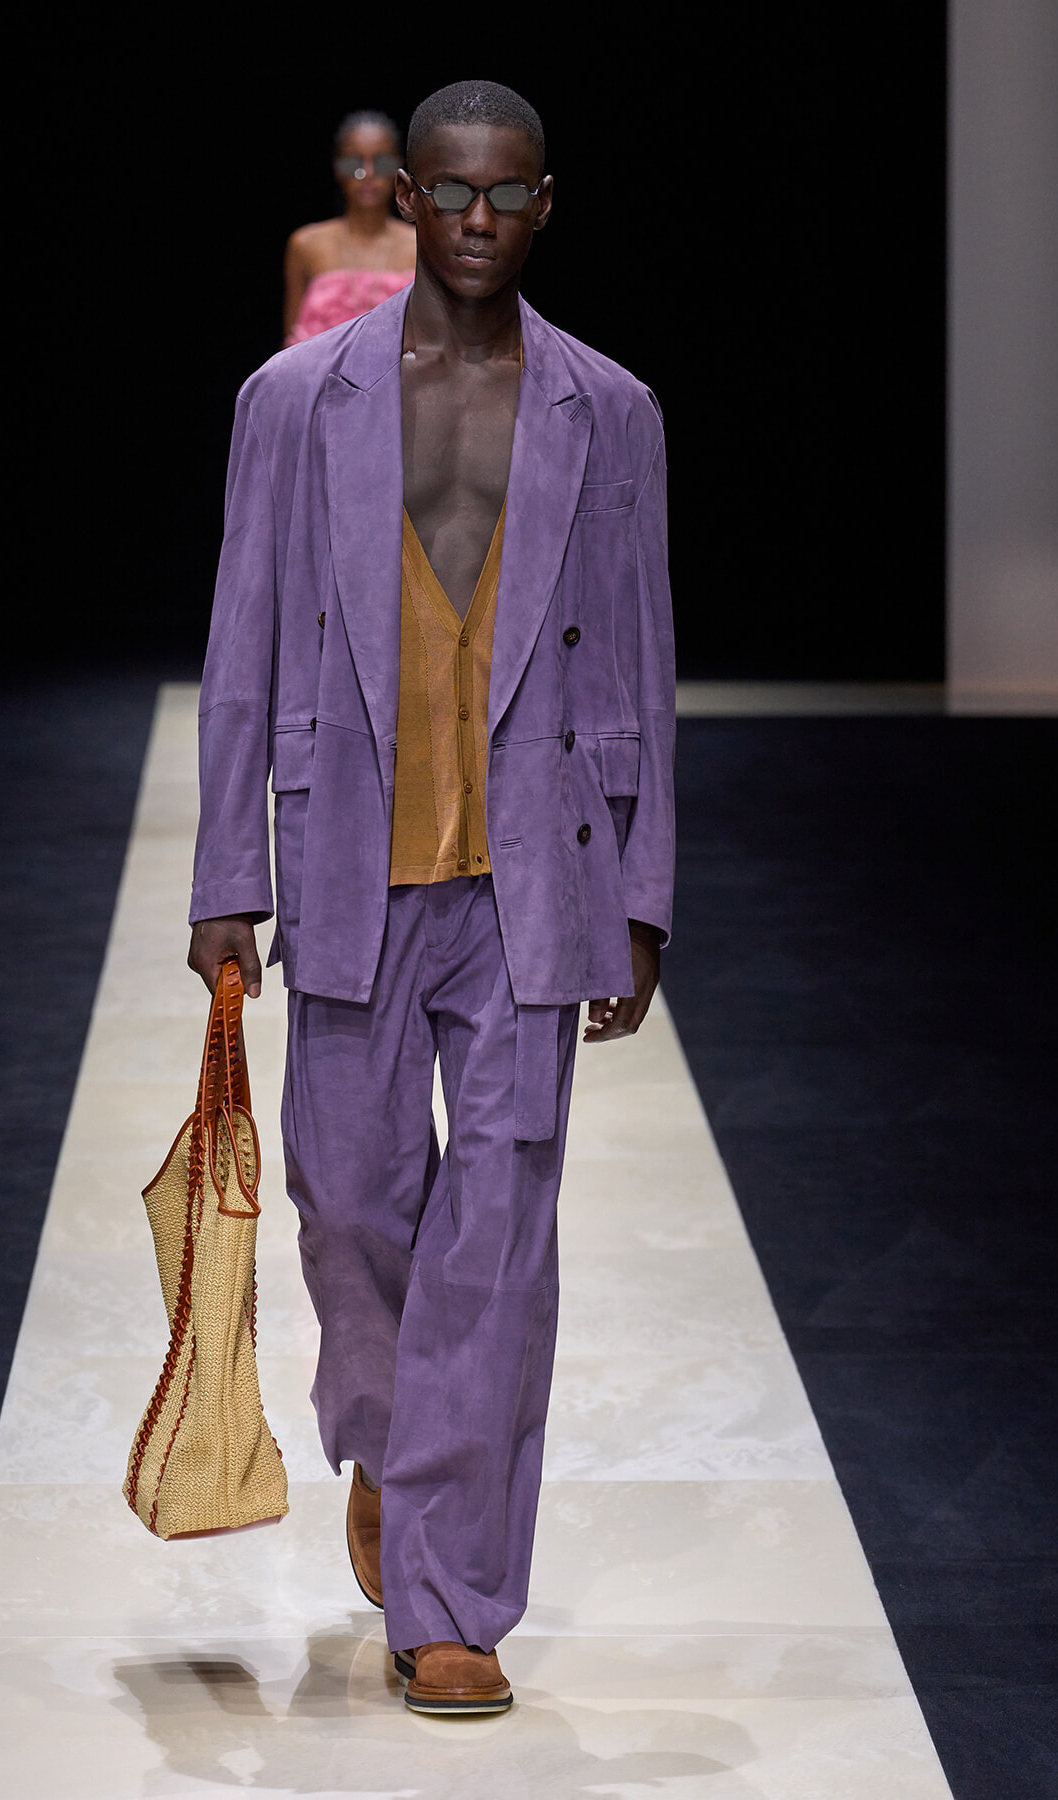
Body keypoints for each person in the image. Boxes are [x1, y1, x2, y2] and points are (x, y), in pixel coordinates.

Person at [189, 79, 675, 1716]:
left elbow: (648, 654)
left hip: (538, 870)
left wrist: (647, 891)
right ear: (405, 197)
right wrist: (220, 880)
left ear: (548, 203)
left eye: (507, 193)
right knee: (353, 1205)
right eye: (451, 191)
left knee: (503, 1235)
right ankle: (396, 1441)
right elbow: (241, 650)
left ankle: (451, 1595)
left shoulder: (613, 412)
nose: (477, 219)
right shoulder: (293, 399)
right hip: (344, 855)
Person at [283, 110, 416, 345]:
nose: (368, 173)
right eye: (354, 164)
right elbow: (290, 347)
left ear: (398, 170)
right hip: (318, 380)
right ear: (338, 169)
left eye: (382, 163)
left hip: (399, 380)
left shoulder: (420, 244)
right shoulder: (306, 244)